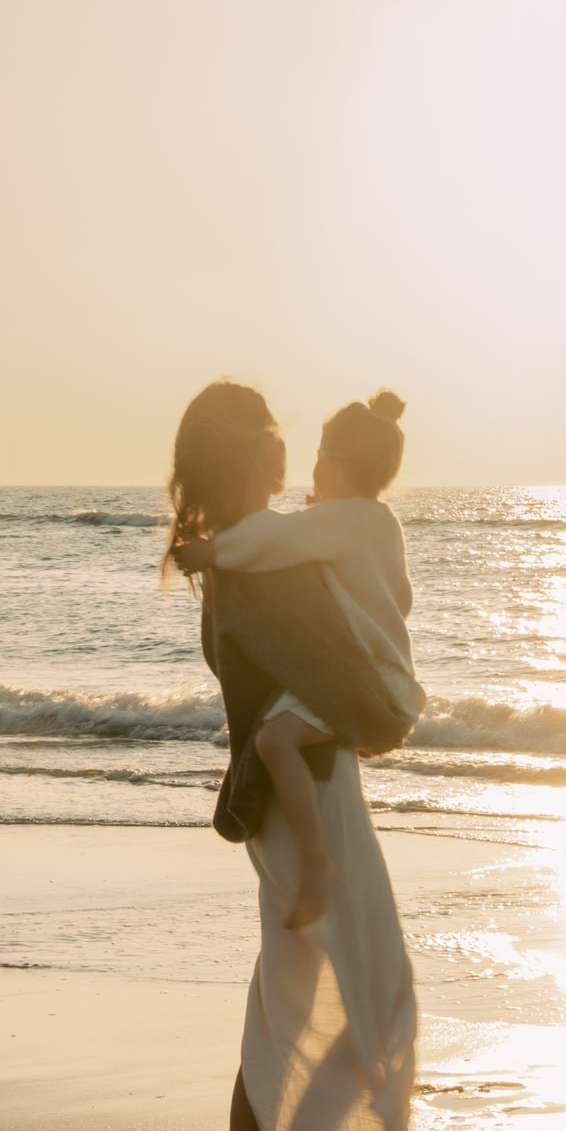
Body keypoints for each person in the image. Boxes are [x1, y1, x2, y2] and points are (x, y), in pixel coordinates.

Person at [166, 381, 417, 1131]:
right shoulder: (263, 565)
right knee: (373, 990)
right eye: (275, 430)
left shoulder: (247, 560)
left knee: (289, 999)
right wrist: (378, 714)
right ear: (253, 451)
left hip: (288, 792)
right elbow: (331, 682)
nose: (289, 445)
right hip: (310, 790)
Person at [174, 391, 424, 933]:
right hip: (394, 681)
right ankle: (312, 862)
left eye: (318, 456)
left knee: (274, 741)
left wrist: (211, 552)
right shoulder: (380, 521)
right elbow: (398, 600)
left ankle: (315, 865)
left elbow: (275, 539)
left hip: (366, 683)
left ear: (331, 464)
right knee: (278, 738)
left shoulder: (338, 521)